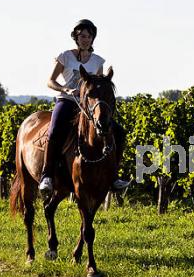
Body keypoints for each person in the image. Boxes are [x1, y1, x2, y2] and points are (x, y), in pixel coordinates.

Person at [38, 19, 130, 193]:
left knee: (116, 131)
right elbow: (50, 81)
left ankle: (114, 176)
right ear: (76, 37)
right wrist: (64, 88)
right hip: (67, 100)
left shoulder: (97, 61)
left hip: (88, 105)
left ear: (92, 38)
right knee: (55, 129)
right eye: (81, 36)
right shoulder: (65, 56)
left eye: (88, 36)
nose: (84, 39)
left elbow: (99, 86)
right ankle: (47, 176)